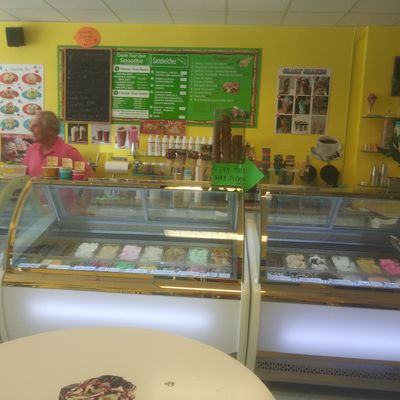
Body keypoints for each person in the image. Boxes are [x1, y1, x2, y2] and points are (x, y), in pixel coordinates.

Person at [23, 110, 93, 177]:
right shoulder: (32, 149)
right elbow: (24, 176)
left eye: (35, 126)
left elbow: (90, 180)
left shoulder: (69, 153)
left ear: (50, 130)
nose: (30, 129)